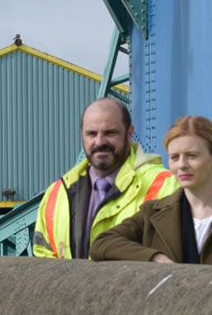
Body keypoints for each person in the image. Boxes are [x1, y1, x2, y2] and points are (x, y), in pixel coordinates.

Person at [32, 98, 179, 259]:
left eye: (109, 133)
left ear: (129, 133)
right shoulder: (56, 194)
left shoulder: (165, 185)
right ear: (82, 134)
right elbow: (43, 260)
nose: (100, 142)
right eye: (91, 134)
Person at [90, 116, 212, 264]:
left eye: (192, 156)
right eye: (174, 157)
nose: (182, 165)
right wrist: (155, 257)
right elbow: (102, 243)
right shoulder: (151, 213)